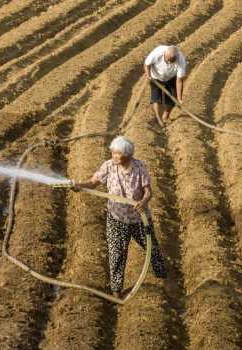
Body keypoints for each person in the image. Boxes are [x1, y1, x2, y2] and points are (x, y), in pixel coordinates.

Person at [71, 136, 168, 298]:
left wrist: (143, 201)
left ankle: (164, 279)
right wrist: (79, 186)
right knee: (117, 254)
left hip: (139, 218)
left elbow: (148, 191)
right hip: (116, 218)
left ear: (128, 155)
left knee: (153, 249)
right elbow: (93, 182)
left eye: (118, 154)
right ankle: (116, 291)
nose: (114, 156)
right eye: (113, 153)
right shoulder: (108, 166)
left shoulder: (139, 167)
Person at [144, 45, 187, 128]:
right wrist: (149, 76)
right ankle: (159, 119)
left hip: (171, 77)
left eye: (172, 61)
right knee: (156, 98)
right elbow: (147, 64)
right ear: (165, 54)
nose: (170, 63)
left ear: (176, 58)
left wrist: (179, 98)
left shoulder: (181, 61)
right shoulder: (157, 53)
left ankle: (166, 115)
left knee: (172, 99)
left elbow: (179, 81)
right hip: (156, 76)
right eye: (168, 61)